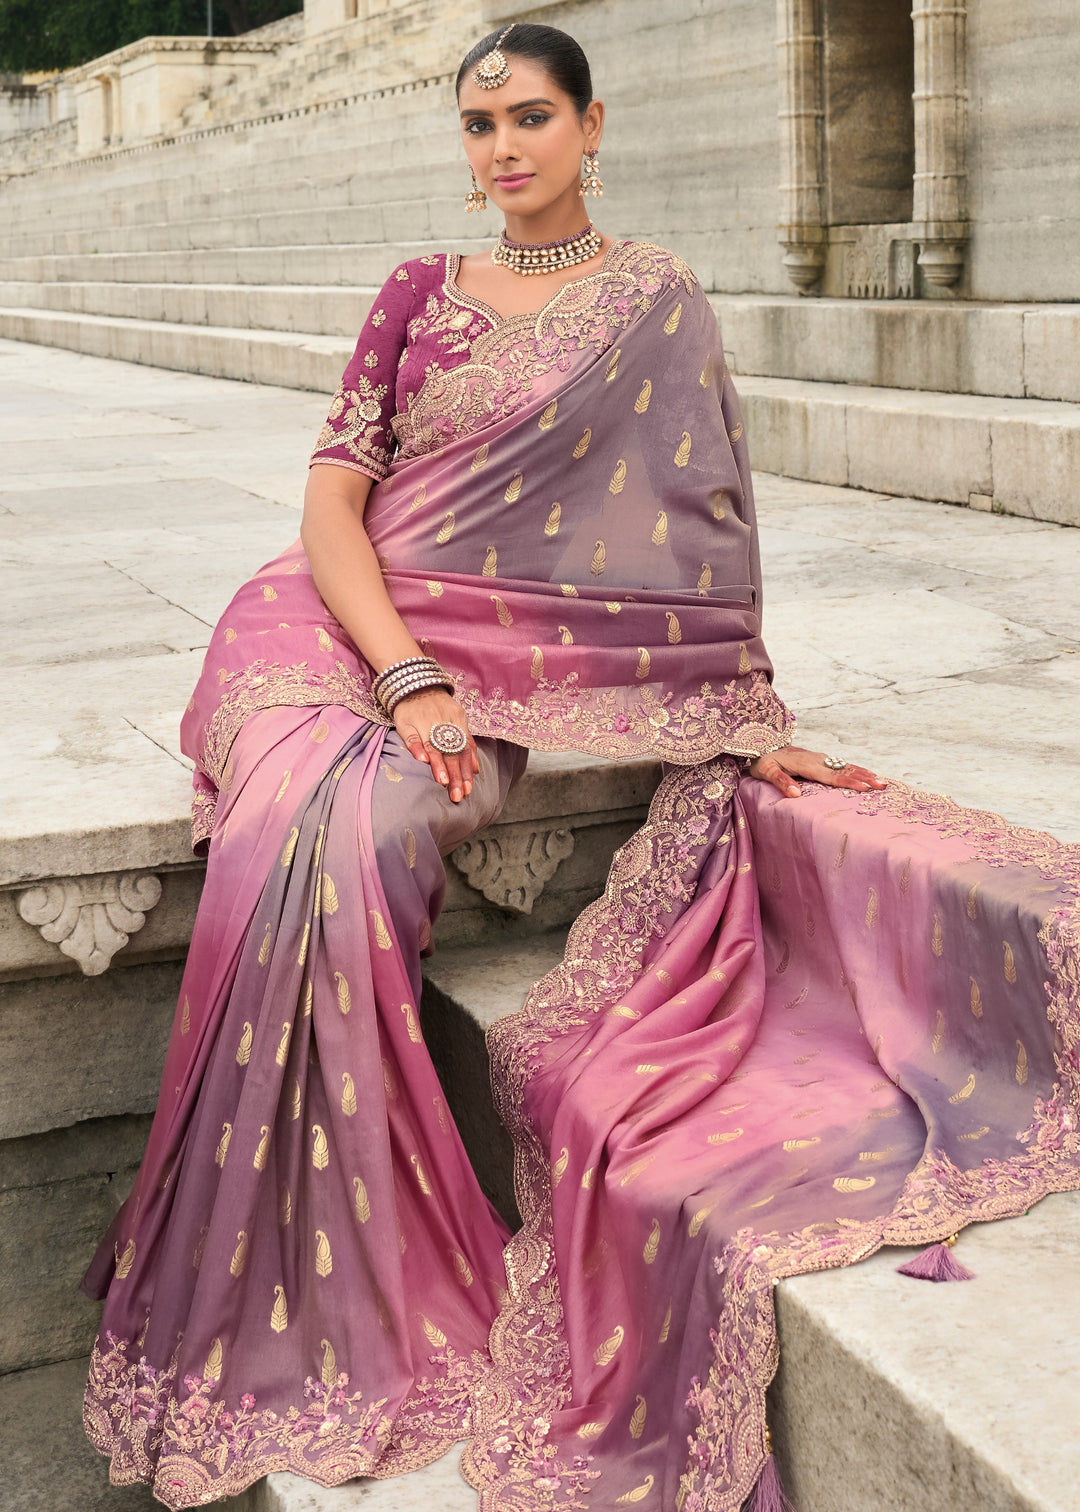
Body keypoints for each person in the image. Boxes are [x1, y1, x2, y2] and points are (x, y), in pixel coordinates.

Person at [80, 22, 1080, 1512]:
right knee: (304, 814)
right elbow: (333, 507)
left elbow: (693, 533)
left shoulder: (655, 299)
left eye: (531, 116)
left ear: (594, 127)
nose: (503, 149)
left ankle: (349, 1267)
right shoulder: (418, 291)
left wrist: (736, 712)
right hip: (325, 629)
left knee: (363, 835)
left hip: (503, 664)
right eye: (478, 124)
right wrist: (407, 670)